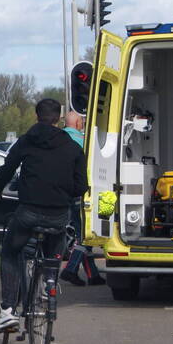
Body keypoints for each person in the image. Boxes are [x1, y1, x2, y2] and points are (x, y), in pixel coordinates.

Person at [0, 99, 88, 333]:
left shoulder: (26, 141)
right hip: (58, 215)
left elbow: (7, 168)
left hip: (29, 212)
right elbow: (81, 185)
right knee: (54, 250)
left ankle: (8, 311)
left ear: (36, 116)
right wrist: (65, 194)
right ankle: (49, 283)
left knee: (11, 252)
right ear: (59, 119)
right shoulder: (73, 146)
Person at [60, 111, 105, 286]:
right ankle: (70, 269)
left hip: (64, 192)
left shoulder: (59, 140)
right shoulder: (82, 142)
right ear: (79, 124)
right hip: (80, 192)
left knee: (81, 232)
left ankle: (93, 275)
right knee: (85, 234)